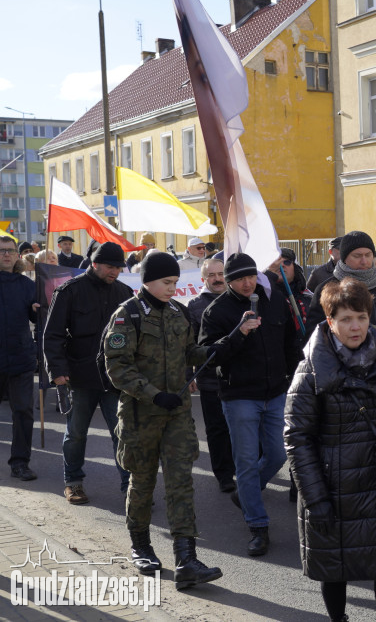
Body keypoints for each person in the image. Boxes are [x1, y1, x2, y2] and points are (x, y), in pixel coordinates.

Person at [285, 278, 376, 622]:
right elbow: (297, 439)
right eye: (346, 319)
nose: (355, 327)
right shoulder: (310, 371)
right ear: (330, 322)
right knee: (334, 568)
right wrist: (316, 499)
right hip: (331, 488)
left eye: (362, 318)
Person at [102, 251, 226, 589]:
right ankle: (141, 545)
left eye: (175, 282)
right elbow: (117, 367)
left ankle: (186, 558)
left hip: (177, 416)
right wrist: (154, 394)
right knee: (142, 483)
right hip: (141, 415)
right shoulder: (127, 316)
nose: (174, 288)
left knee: (181, 483)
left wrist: (219, 348)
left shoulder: (179, 313)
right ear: (148, 281)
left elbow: (191, 354)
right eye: (167, 282)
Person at [199, 252, 301, 557]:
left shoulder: (273, 299)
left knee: (277, 454)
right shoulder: (217, 311)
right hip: (240, 395)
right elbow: (208, 355)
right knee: (244, 461)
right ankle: (258, 525)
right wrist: (238, 333)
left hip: (275, 391)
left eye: (251, 276)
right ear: (228, 281)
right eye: (240, 279)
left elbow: (290, 342)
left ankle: (246, 492)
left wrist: (296, 377)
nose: (247, 283)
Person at [44, 241, 134, 503]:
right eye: (110, 267)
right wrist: (57, 371)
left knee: (123, 434)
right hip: (79, 376)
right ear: (94, 263)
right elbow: (53, 336)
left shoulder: (125, 292)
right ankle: (73, 482)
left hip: (115, 378)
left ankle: (131, 486)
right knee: (76, 434)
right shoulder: (69, 291)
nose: (114, 272)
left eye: (118, 267)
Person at [186, 257, 235, 493]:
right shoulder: (194, 305)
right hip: (209, 379)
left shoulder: (239, 300)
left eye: (221, 274)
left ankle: (243, 469)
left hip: (239, 377)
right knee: (217, 429)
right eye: (212, 275)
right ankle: (224, 474)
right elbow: (187, 345)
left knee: (241, 426)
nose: (217, 279)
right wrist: (189, 375)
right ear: (203, 279)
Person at [307, 231, 376, 335]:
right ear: (344, 258)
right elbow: (314, 333)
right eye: (357, 256)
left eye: (368, 255)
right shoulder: (326, 289)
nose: (364, 261)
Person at [1, 236, 39, 480]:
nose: (6, 255)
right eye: (2, 251)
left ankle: (20, 463)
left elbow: (36, 319)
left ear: (17, 256)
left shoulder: (26, 284)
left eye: (10, 251)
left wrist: (39, 309)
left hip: (21, 358)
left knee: (23, 411)